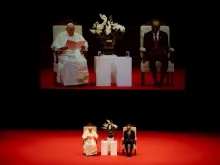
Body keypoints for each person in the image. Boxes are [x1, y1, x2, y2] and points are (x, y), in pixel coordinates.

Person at [142, 19, 169, 86]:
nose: (155, 29)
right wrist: (150, 51)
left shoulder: (164, 34)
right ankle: (155, 80)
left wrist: (165, 51)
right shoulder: (147, 35)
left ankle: (161, 81)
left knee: (166, 59)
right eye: (153, 28)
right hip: (151, 54)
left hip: (161, 54)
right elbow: (145, 46)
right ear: (151, 27)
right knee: (152, 59)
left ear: (159, 27)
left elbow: (166, 46)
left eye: (156, 28)